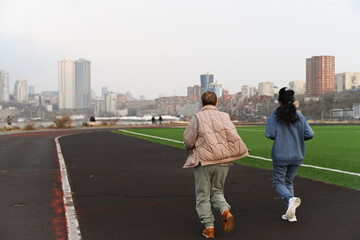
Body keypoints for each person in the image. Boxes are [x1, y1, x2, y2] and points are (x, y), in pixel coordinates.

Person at [183, 91, 249, 238]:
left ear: (201, 103)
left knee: (203, 195)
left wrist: (190, 147)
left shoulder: (197, 117)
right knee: (217, 191)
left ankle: (209, 228)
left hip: (205, 161)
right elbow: (233, 136)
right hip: (223, 161)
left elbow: (188, 140)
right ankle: (225, 211)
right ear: (216, 103)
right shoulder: (225, 116)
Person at [265, 87, 314, 222]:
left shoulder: (275, 115)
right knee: (288, 182)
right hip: (297, 155)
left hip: (280, 154)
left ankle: (290, 199)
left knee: (278, 183)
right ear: (292, 102)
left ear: (279, 102)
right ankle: (291, 214)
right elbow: (309, 134)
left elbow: (270, 134)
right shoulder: (299, 116)